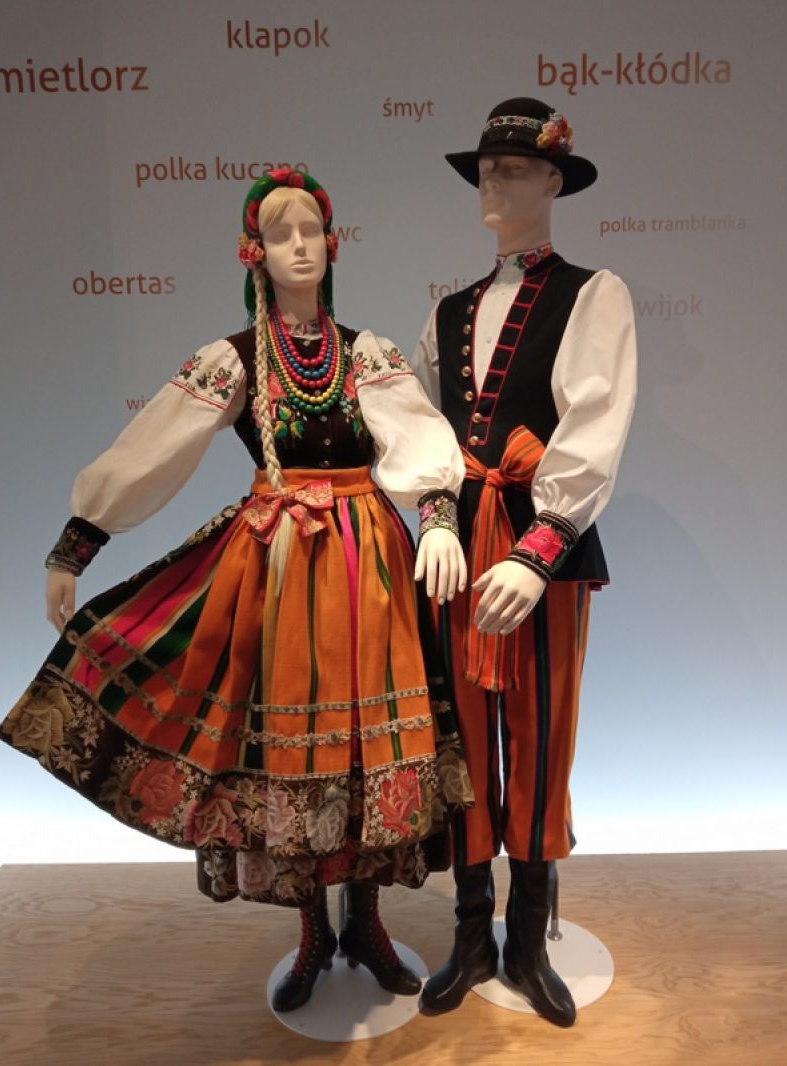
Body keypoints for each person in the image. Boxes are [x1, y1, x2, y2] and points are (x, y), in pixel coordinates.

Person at [0, 166, 474, 1013]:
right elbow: (155, 449)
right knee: (293, 749)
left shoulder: (365, 353)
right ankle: (313, 931)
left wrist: (437, 515)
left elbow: (415, 435)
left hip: (367, 566)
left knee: (367, 748)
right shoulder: (237, 360)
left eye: (311, 230)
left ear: (332, 243)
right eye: (282, 233)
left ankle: (364, 921)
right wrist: (78, 541)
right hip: (284, 570)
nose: (300, 247)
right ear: (255, 252)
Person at [412, 98, 637, 1026]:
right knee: (462, 737)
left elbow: (595, 425)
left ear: (553, 181)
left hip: (541, 549)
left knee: (542, 738)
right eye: (486, 169)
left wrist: (540, 550)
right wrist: (435, 517)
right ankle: (471, 934)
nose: (493, 182)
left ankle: (528, 938)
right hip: (458, 551)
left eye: (513, 169)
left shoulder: (594, 293)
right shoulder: (448, 310)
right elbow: (423, 431)